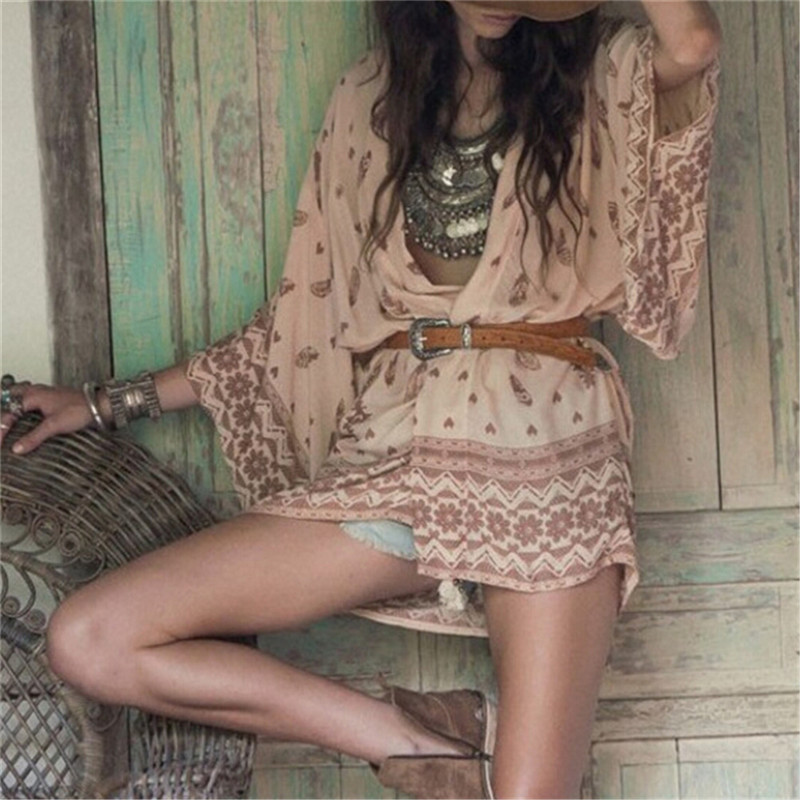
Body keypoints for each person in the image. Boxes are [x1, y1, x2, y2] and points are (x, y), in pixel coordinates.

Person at [0, 1, 720, 797]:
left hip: (548, 458)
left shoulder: (602, 70)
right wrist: (105, 403)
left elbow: (692, 42)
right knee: (92, 639)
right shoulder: (372, 98)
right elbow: (301, 324)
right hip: (399, 452)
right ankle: (416, 742)